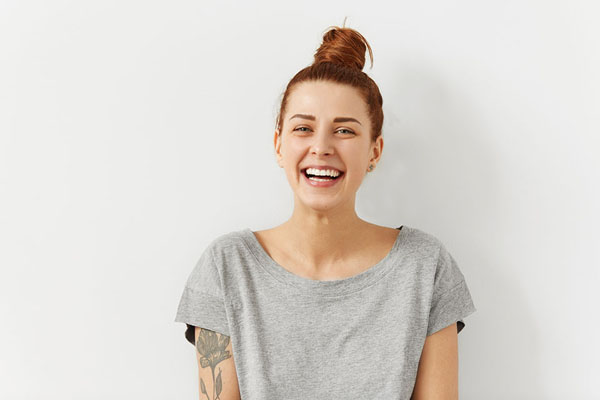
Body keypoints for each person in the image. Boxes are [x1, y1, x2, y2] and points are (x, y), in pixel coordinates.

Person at [175, 22, 477, 400]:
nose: (321, 147)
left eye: (345, 131)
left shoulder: (424, 267)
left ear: (375, 152)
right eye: (303, 128)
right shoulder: (227, 267)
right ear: (279, 144)